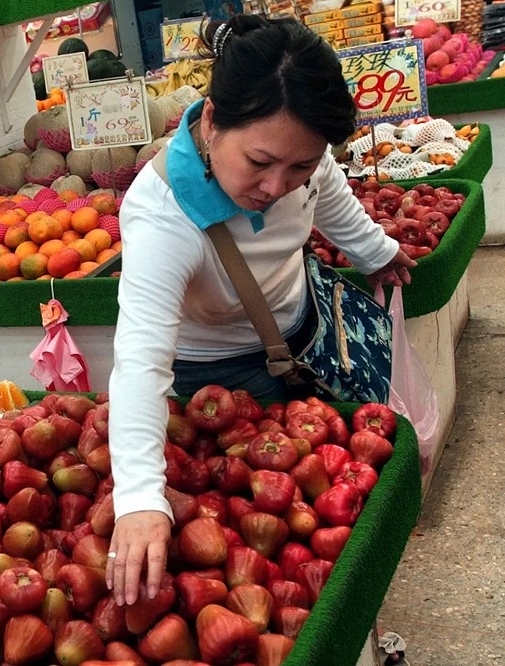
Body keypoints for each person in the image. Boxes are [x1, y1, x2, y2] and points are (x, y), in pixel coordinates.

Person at [105, 14, 417, 607]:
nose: (276, 187)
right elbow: (140, 361)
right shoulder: (161, 216)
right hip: (218, 381)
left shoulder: (298, 148)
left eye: (297, 167)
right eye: (260, 162)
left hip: (307, 334)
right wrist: (141, 498)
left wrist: (376, 251)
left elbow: (331, 196)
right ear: (214, 122)